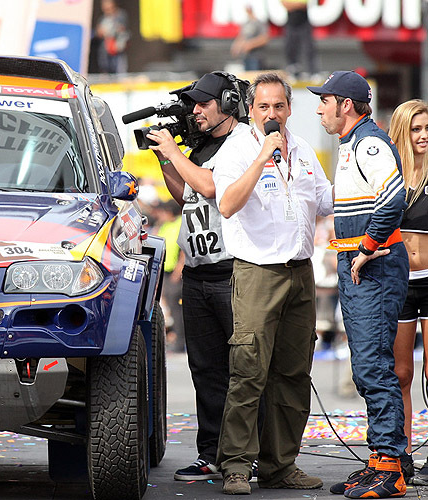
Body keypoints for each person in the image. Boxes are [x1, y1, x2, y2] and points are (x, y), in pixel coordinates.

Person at [212, 71, 332, 495]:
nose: (272, 113)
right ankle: (237, 466)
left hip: (301, 273)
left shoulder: (301, 150)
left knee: (294, 373)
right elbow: (226, 204)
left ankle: (280, 465)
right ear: (250, 111)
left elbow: (326, 202)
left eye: (279, 106)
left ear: (289, 109)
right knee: (248, 372)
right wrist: (262, 156)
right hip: (258, 272)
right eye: (263, 106)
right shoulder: (237, 150)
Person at [308, 71, 409, 498]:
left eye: (325, 100)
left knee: (372, 366)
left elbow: (394, 196)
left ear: (346, 104)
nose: (319, 109)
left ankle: (390, 467)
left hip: (373, 265)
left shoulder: (368, 143)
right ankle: (379, 460)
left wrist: (367, 246)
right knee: (366, 366)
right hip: (359, 263)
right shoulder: (353, 144)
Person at [145, 72, 249, 482]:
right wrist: (164, 158)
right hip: (199, 272)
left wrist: (175, 152)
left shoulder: (240, 142)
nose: (195, 111)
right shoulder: (201, 146)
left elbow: (208, 186)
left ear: (226, 101)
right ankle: (211, 453)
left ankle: (245, 454)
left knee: (242, 370)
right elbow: (183, 193)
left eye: (203, 103)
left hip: (232, 271)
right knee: (205, 369)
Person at [389, 100, 428, 486]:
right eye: (416, 129)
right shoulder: (391, 175)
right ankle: (402, 454)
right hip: (401, 281)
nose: (424, 135)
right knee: (400, 373)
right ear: (403, 131)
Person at [282, 0, 317, 79]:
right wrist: (296, 5)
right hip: (291, 22)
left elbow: (304, 5)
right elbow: (285, 4)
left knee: (308, 48)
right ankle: (293, 70)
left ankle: (312, 72)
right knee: (290, 47)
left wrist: (292, 5)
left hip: (303, 22)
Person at [94, 0, 129, 74]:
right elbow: (98, 32)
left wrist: (109, 31)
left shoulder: (120, 15)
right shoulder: (103, 18)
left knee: (119, 70)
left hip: (117, 49)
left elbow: (121, 29)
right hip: (105, 49)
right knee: (105, 69)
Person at [231, 4, 269, 72]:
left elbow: (264, 38)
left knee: (255, 76)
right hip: (246, 56)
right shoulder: (246, 23)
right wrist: (236, 46)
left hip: (256, 56)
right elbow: (242, 36)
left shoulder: (259, 23)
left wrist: (250, 45)